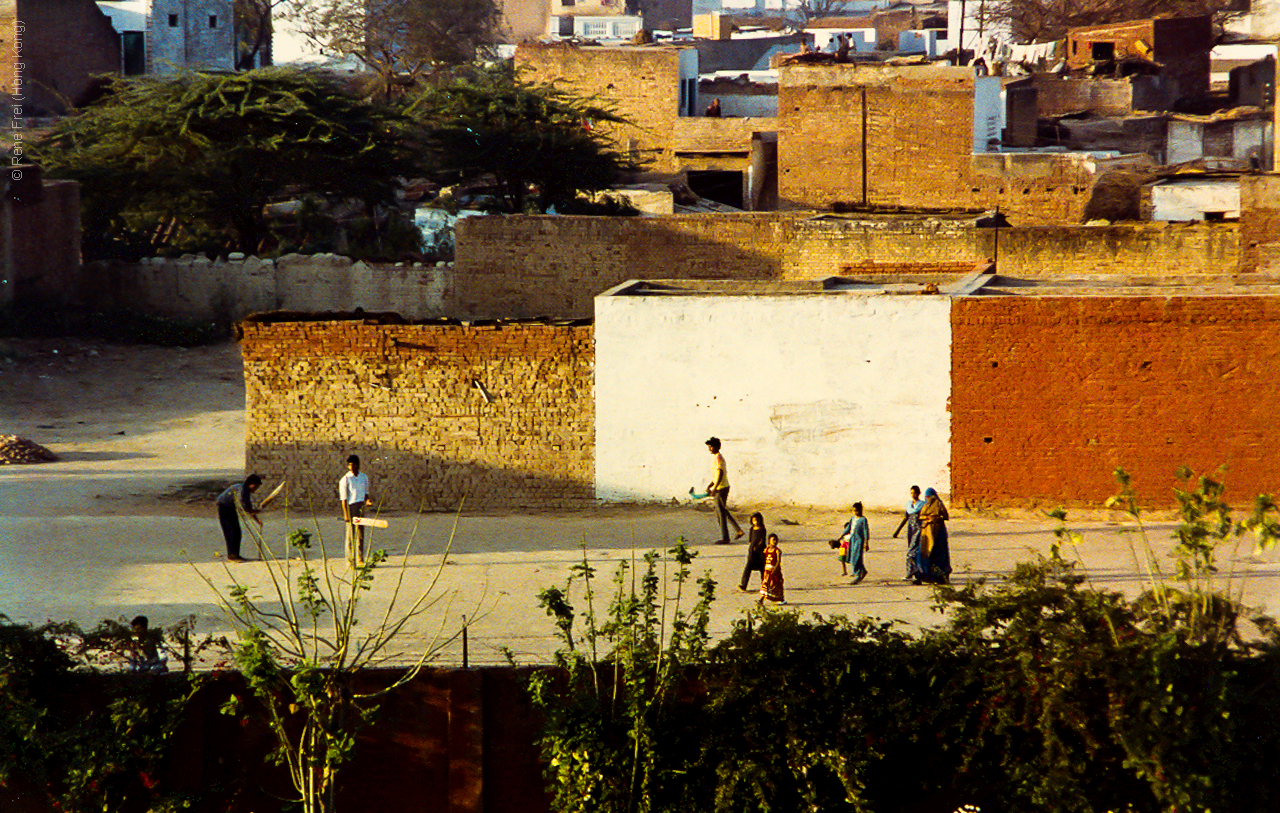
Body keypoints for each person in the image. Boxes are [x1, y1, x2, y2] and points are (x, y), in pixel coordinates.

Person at [216, 474, 262, 562]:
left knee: (236, 532)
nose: (256, 490)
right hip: (224, 507)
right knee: (231, 531)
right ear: (252, 485)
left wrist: (257, 520)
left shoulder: (244, 489)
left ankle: (235, 555)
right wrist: (254, 511)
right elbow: (245, 507)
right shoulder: (243, 490)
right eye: (256, 487)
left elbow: (248, 507)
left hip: (230, 507)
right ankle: (232, 556)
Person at [706, 437, 743, 544]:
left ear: (717, 447)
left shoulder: (718, 458)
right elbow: (716, 475)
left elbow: (720, 473)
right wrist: (711, 485)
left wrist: (715, 487)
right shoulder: (716, 458)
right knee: (722, 511)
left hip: (721, 488)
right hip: (720, 487)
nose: (709, 448)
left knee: (721, 514)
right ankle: (738, 530)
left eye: (711, 446)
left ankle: (726, 538)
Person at [339, 454, 371, 567]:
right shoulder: (346, 479)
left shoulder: (364, 477)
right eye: (349, 465)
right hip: (351, 507)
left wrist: (367, 501)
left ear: (358, 465)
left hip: (360, 506)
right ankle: (350, 560)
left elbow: (366, 493)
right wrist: (346, 514)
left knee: (360, 534)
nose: (351, 468)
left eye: (353, 465)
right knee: (350, 535)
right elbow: (343, 499)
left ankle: (360, 558)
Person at [918, 488, 951, 584]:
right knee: (926, 552)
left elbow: (945, 516)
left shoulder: (939, 505)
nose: (928, 499)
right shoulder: (925, 506)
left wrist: (936, 518)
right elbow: (921, 516)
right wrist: (927, 518)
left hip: (938, 532)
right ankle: (927, 574)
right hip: (927, 532)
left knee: (939, 553)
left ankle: (941, 575)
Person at [892, 485, 926, 581]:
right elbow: (905, 518)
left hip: (919, 530)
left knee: (912, 553)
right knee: (912, 550)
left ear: (919, 493)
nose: (913, 495)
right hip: (911, 530)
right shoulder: (909, 505)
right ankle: (911, 572)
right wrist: (897, 530)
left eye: (915, 493)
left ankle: (915, 573)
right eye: (911, 493)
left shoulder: (922, 505)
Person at [836, 502, 870, 584]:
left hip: (859, 540)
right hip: (852, 540)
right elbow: (849, 528)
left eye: (857, 510)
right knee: (852, 557)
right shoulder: (852, 519)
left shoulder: (863, 520)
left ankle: (858, 575)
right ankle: (863, 570)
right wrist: (841, 536)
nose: (855, 512)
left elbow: (866, 531)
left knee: (856, 558)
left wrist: (866, 542)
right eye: (854, 510)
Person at [740, 512, 768, 591]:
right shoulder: (751, 529)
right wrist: (752, 548)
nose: (756, 521)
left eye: (757, 520)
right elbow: (750, 540)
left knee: (762, 569)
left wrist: (758, 547)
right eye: (754, 520)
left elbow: (762, 540)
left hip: (761, 551)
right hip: (752, 551)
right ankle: (743, 585)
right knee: (748, 567)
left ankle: (765, 585)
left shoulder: (762, 529)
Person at [759, 532, 785, 605]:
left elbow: (778, 561)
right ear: (769, 541)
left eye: (776, 540)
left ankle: (780, 598)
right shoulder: (766, 550)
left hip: (774, 571)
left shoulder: (777, 551)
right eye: (773, 540)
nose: (775, 541)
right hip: (767, 571)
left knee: (775, 585)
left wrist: (775, 570)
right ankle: (761, 599)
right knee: (764, 585)